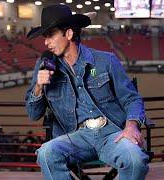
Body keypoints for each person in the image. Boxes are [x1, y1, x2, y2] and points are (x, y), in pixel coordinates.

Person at [25, 4, 149, 180]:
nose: (46, 42)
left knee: (135, 159)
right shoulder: (44, 65)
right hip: (75, 137)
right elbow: (32, 114)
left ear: (68, 34)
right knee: (46, 153)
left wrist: (131, 126)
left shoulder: (106, 60)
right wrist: (38, 86)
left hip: (111, 134)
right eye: (45, 37)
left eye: (50, 35)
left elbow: (132, 99)